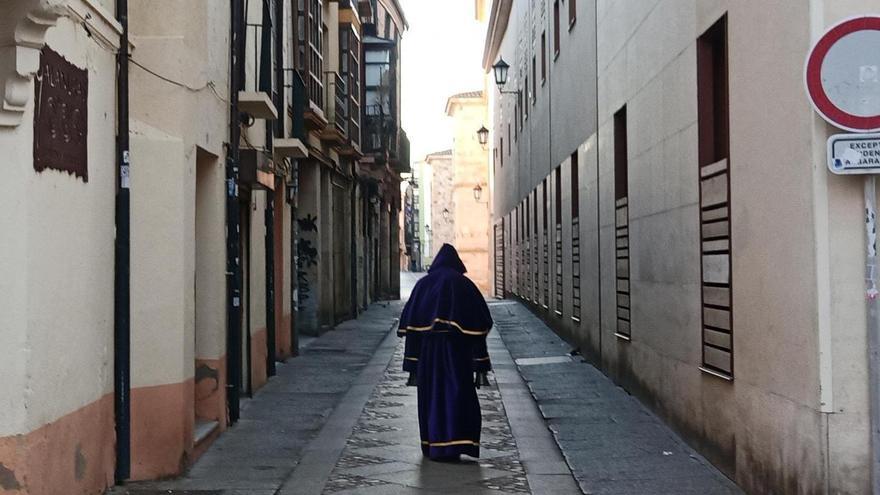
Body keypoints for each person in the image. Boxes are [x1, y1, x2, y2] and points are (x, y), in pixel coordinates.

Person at [398, 244, 493, 461]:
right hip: (457, 352)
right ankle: (456, 444)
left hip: (429, 355)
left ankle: (434, 445)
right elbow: (478, 327)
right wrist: (480, 364)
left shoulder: (423, 285)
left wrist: (411, 365)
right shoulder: (464, 285)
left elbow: (413, 330)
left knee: (431, 398)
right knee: (458, 396)